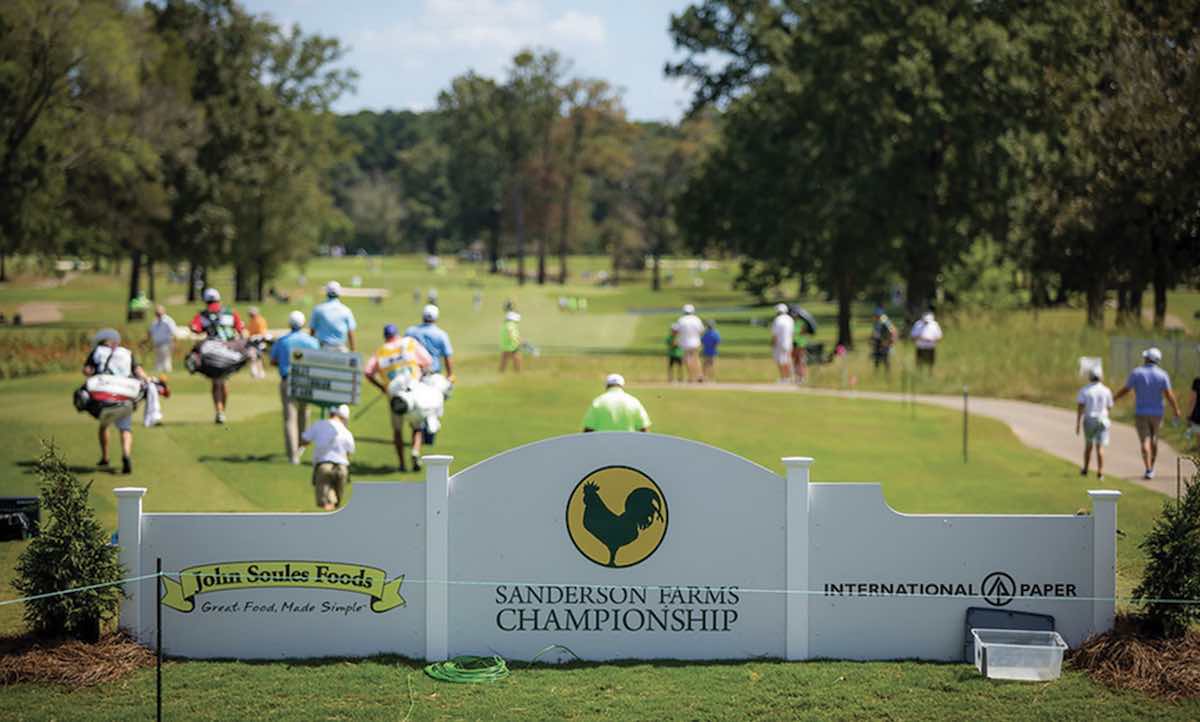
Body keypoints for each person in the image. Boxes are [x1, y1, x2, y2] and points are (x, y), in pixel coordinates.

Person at [364, 324, 433, 471]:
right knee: (417, 426)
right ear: (397, 334)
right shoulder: (409, 343)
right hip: (412, 390)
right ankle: (415, 451)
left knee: (397, 430)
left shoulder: (381, 352)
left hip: (394, 395)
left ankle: (402, 464)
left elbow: (368, 372)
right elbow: (427, 361)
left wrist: (381, 387)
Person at [84, 329, 148, 475]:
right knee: (125, 428)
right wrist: (148, 380)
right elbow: (138, 370)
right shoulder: (126, 352)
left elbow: (87, 370)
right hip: (125, 394)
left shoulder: (97, 351)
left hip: (105, 395)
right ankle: (126, 454)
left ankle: (105, 457)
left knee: (104, 425)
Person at [1114, 347, 1182, 479]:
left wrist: (1114, 398)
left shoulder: (1137, 373)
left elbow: (1126, 389)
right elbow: (1169, 394)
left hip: (1141, 412)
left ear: (1146, 359)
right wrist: (1176, 409)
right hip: (1157, 412)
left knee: (1144, 441)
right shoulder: (1163, 374)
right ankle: (1152, 466)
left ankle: (1148, 468)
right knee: (1154, 439)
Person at [270, 311, 320, 464]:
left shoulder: (282, 341)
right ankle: (301, 446)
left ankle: (293, 456)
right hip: (306, 381)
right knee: (304, 412)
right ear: (303, 323)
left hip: (287, 380)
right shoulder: (312, 342)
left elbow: (273, 361)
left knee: (289, 419)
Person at [190, 288, 246, 424]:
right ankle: (221, 412)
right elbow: (240, 330)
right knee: (223, 381)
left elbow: (194, 328)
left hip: (212, 352)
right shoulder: (231, 313)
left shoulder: (203, 315)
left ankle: (219, 411)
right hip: (229, 351)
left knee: (216, 382)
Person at [299, 403, 356, 511]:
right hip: (342, 469)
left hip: (324, 467)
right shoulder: (347, 432)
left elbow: (304, 441)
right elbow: (349, 453)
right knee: (336, 504)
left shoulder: (319, 424)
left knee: (326, 504)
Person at [1075, 368, 1114, 480]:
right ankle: (1100, 472)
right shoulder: (1106, 390)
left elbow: (1080, 407)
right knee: (1100, 447)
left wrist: (1078, 422)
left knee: (1089, 445)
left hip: (1090, 419)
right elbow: (1109, 406)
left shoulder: (1085, 390)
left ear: (1090, 377)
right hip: (1103, 419)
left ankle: (1086, 469)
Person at [582, 374, 651, 432]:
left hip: (602, 446)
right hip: (628, 445)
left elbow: (588, 429)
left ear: (606, 386)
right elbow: (643, 429)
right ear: (622, 386)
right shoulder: (634, 401)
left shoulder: (598, 402)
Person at [405, 304, 454, 379]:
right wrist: (450, 374)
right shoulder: (441, 334)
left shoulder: (410, 331)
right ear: (436, 318)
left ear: (423, 316)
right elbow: (447, 356)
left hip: (414, 375)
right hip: (433, 374)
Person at [310, 281, 357, 352]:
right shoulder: (346, 310)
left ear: (327, 292)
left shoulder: (318, 309)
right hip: (341, 348)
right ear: (339, 293)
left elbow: (312, 331)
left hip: (322, 348)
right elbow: (350, 332)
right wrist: (353, 350)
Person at [676, 304, 705, 382]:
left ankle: (691, 376)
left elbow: (677, 331)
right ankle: (699, 375)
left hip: (685, 343)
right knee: (696, 358)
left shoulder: (681, 320)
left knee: (688, 359)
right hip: (696, 342)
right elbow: (702, 331)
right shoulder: (696, 319)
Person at [147, 305, 177, 373]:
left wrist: (174, 343)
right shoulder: (154, 321)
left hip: (166, 343)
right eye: (156, 312)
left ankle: (168, 374)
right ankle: (158, 374)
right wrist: (147, 342)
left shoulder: (168, 321)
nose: (157, 314)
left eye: (159, 312)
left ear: (164, 312)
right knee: (158, 361)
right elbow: (150, 332)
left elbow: (173, 333)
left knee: (166, 361)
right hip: (157, 344)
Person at [770, 303, 794, 382]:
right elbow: (792, 333)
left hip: (780, 343)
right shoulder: (790, 319)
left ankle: (784, 378)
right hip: (789, 343)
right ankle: (790, 377)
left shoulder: (777, 320)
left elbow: (775, 335)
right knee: (788, 360)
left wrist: (773, 344)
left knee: (781, 361)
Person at [246, 306, 269, 379]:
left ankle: (260, 373)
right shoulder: (252, 321)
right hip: (253, 342)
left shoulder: (260, 320)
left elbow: (262, 333)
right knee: (253, 357)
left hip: (260, 342)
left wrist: (255, 337)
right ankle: (254, 373)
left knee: (258, 357)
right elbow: (250, 332)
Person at [791, 314, 808, 385]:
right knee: (795, 361)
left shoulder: (801, 323)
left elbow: (802, 332)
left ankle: (802, 377)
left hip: (801, 344)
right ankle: (797, 377)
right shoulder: (792, 323)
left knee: (801, 361)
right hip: (794, 343)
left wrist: (795, 334)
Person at [1187, 374, 1200, 452]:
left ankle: (1199, 448)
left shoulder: (1197, 381)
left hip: (1198, 412)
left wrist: (1189, 414)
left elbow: (1193, 399)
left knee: (1198, 431)